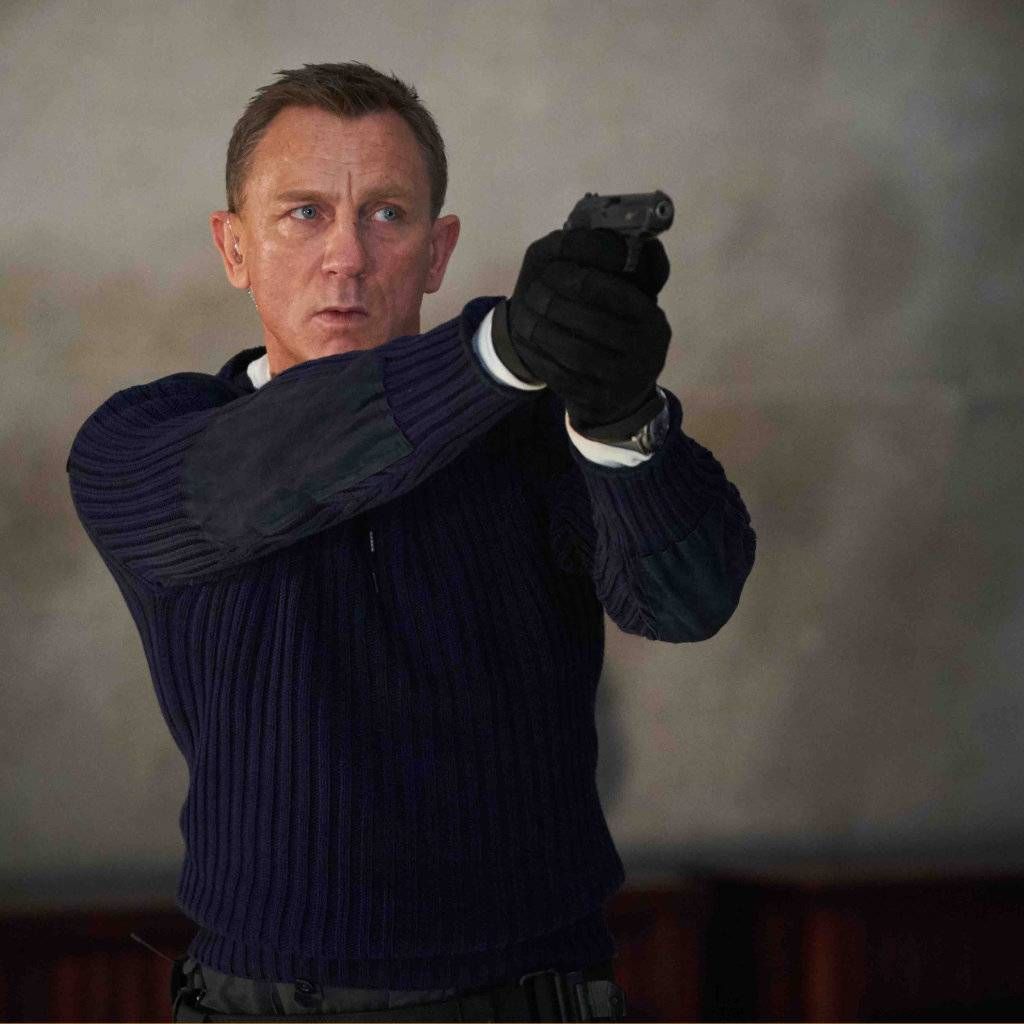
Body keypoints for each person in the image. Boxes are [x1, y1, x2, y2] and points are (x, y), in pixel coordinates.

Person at [66, 61, 756, 1022]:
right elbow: (260, 475)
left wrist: (617, 413)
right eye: (304, 214)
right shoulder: (142, 443)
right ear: (234, 247)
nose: (345, 257)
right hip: (259, 1005)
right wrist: (499, 350)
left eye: (385, 215)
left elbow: (689, 599)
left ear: (438, 252)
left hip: (531, 1000)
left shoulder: (537, 432)